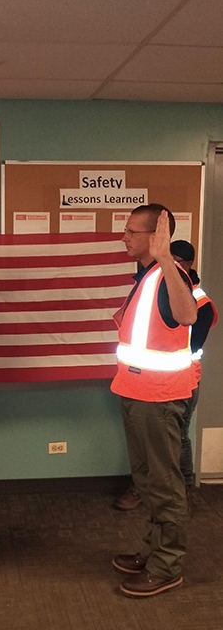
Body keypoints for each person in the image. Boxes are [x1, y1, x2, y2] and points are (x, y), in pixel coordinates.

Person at [111, 204, 197, 597]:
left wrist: (165, 260)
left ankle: (167, 567)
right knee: (148, 482)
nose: (124, 237)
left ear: (154, 236)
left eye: (131, 231)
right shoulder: (145, 277)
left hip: (160, 400)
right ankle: (154, 551)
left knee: (164, 484)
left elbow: (189, 315)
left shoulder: (170, 274)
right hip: (136, 395)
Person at [113, 239, 217, 510]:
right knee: (151, 451)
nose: (167, 267)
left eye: (175, 263)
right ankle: (157, 492)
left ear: (187, 266)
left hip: (181, 380)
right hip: (143, 383)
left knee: (177, 439)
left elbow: (189, 343)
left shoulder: (197, 301)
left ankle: (181, 491)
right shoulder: (152, 287)